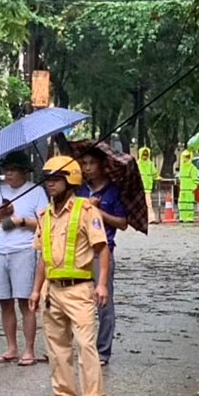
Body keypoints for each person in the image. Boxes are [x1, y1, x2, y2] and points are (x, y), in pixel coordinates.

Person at [29, 155, 109, 396]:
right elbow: (42, 257)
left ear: (70, 180)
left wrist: (101, 284)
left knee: (86, 345)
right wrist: (36, 290)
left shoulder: (86, 210)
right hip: (52, 292)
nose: (49, 184)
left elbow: (102, 249)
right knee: (57, 348)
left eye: (55, 179)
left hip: (80, 289)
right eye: (47, 179)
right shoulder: (44, 216)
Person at [0, 151, 48, 366]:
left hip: (25, 250)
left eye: (12, 170)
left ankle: (29, 349)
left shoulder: (36, 191)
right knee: (5, 301)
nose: (8, 174)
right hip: (2, 250)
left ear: (23, 172)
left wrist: (19, 220)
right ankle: (11, 347)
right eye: (5, 170)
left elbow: (45, 223)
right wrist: (1, 214)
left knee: (25, 301)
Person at [76, 148, 128, 366]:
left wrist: (98, 212)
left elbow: (122, 223)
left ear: (101, 165)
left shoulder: (112, 191)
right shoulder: (78, 190)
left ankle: (103, 351)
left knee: (103, 302)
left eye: (92, 163)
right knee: (77, 300)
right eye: (84, 163)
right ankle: (82, 347)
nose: (87, 168)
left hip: (102, 250)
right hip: (79, 250)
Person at [137, 147, 158, 224]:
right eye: (144, 155)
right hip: (138, 188)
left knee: (148, 203)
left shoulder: (150, 164)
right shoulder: (137, 164)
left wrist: (158, 178)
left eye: (146, 155)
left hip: (147, 188)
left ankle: (150, 219)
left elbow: (154, 174)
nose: (145, 156)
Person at [178, 149, 198, 222]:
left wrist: (194, 187)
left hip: (189, 189)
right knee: (182, 204)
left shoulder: (193, 168)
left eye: (187, 157)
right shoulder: (182, 168)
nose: (185, 159)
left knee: (189, 204)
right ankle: (182, 217)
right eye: (184, 157)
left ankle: (189, 217)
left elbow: (195, 179)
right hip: (183, 189)